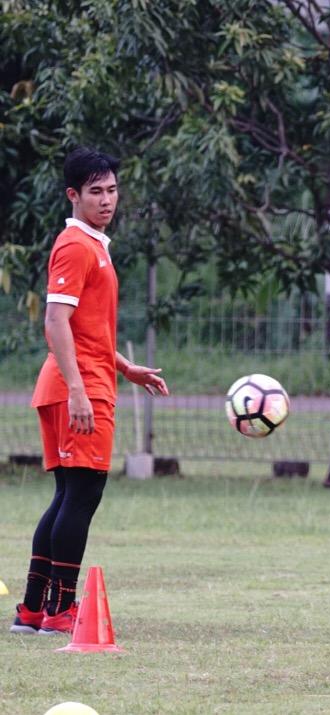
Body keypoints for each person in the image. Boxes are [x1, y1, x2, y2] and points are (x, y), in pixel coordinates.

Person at [10, 148, 169, 636]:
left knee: (67, 496)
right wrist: (79, 391)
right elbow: (55, 321)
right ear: (73, 195)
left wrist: (125, 367)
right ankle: (60, 610)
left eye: (112, 189)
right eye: (95, 191)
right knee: (81, 495)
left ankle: (33, 609)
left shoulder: (95, 244)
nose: (106, 200)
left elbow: (87, 327)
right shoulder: (77, 245)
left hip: (80, 381)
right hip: (76, 388)